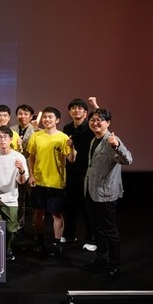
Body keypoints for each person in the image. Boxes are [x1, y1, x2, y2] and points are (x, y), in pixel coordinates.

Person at [83, 108, 132, 282]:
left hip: (106, 192)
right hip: (91, 190)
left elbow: (128, 160)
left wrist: (116, 146)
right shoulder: (94, 139)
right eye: (92, 120)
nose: (95, 123)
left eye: (99, 120)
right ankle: (101, 260)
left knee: (110, 231)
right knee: (97, 228)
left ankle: (114, 266)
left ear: (108, 123)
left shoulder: (112, 139)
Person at [27, 106, 76, 257]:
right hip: (39, 181)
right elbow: (31, 157)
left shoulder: (63, 138)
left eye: (50, 117)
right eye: (45, 117)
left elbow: (71, 159)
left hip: (57, 182)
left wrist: (72, 146)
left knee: (56, 214)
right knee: (38, 213)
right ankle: (39, 240)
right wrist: (31, 175)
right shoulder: (36, 136)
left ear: (57, 120)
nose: (47, 119)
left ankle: (56, 243)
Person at [0, 126, 29, 261]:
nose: (2, 140)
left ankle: (7, 249)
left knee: (11, 229)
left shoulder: (18, 157)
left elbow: (22, 181)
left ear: (11, 139)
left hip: (11, 198)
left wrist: (21, 170)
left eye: (5, 137)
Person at [62, 97, 98, 251]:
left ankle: (92, 239)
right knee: (69, 204)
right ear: (69, 112)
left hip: (86, 170)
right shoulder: (67, 128)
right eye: (73, 108)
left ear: (85, 112)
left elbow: (101, 119)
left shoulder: (90, 125)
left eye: (80, 108)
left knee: (86, 206)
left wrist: (94, 105)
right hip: (71, 170)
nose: (76, 110)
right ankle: (70, 234)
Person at [10, 104, 39, 233]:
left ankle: (36, 225)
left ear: (31, 116)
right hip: (15, 167)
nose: (22, 116)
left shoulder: (37, 131)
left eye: (26, 114)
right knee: (18, 197)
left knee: (33, 197)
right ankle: (18, 224)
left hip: (32, 167)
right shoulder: (11, 130)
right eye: (20, 114)